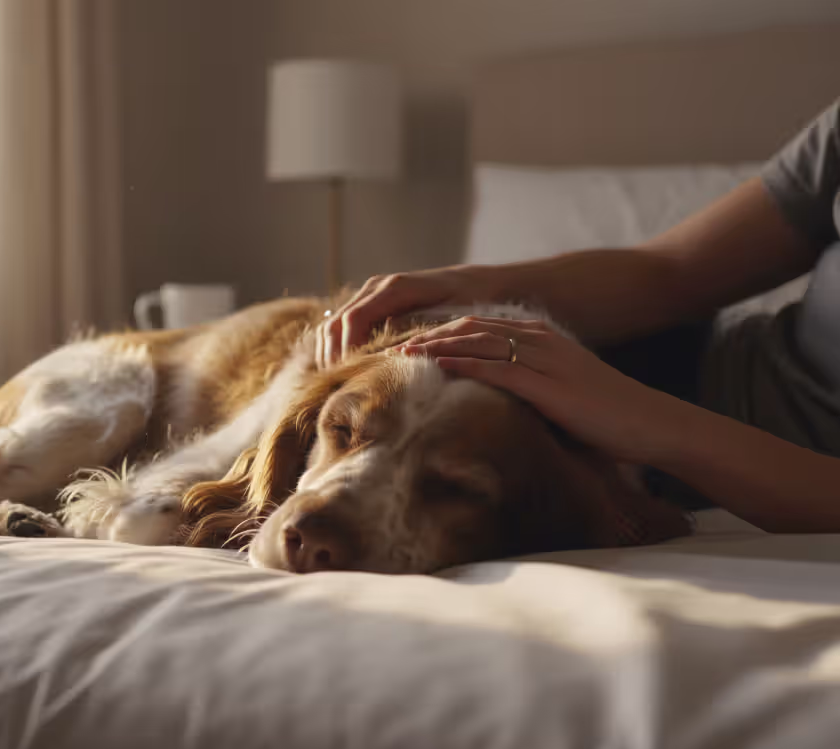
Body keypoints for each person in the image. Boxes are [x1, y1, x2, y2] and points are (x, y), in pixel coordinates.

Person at [319, 100, 840, 534]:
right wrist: (475, 284)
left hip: (672, 445)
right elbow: (671, 273)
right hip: (663, 358)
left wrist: (649, 423)